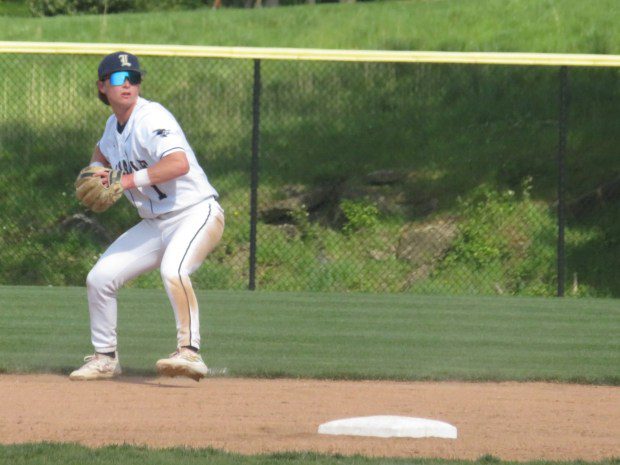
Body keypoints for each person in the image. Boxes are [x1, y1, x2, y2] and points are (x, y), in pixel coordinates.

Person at [70, 51, 225, 381]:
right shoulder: (113, 126)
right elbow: (102, 152)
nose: (126, 84)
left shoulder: (152, 117)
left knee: (175, 269)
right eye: (117, 78)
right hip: (156, 223)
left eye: (133, 78)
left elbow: (178, 164)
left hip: (196, 212)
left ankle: (190, 353)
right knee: (100, 278)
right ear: (101, 86)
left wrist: (125, 180)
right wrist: (99, 171)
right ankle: (105, 358)